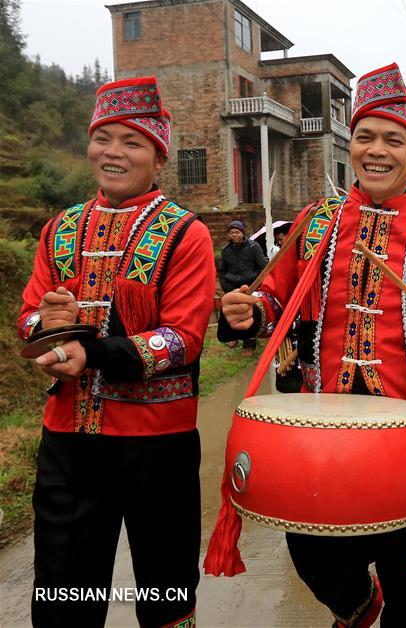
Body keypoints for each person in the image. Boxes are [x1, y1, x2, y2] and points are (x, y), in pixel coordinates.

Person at [209, 62, 406, 627]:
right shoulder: (315, 223)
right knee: (316, 555)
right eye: (365, 136)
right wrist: (248, 312)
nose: (376, 150)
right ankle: (356, 605)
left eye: (393, 139)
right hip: (321, 435)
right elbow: (274, 296)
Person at [18, 76, 215, 628]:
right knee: (62, 588)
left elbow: (182, 337)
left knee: (165, 587)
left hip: (158, 442)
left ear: (158, 155)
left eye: (132, 142)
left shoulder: (186, 233)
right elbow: (29, 317)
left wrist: (95, 354)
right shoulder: (61, 230)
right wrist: (49, 326)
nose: (113, 152)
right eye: (103, 137)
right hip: (68, 438)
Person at [217, 219, 267, 355]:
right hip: (232, 285)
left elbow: (263, 266)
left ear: (242, 233)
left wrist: (257, 283)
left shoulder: (253, 247)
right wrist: (225, 284)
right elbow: (222, 270)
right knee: (231, 311)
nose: (235, 235)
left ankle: (249, 343)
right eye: (232, 232)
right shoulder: (226, 250)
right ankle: (232, 336)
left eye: (237, 232)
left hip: (250, 285)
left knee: (248, 314)